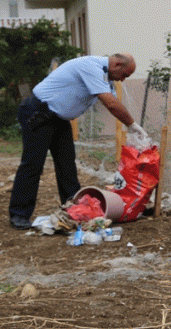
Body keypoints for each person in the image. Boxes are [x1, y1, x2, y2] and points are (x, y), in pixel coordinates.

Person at [8, 53, 148, 229]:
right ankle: (18, 215)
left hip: (59, 119)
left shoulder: (106, 77)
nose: (123, 80)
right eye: (125, 75)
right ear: (117, 64)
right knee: (33, 165)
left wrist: (130, 129)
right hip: (39, 113)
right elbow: (110, 104)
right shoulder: (91, 66)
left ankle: (74, 210)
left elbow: (113, 102)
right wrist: (133, 125)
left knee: (67, 165)